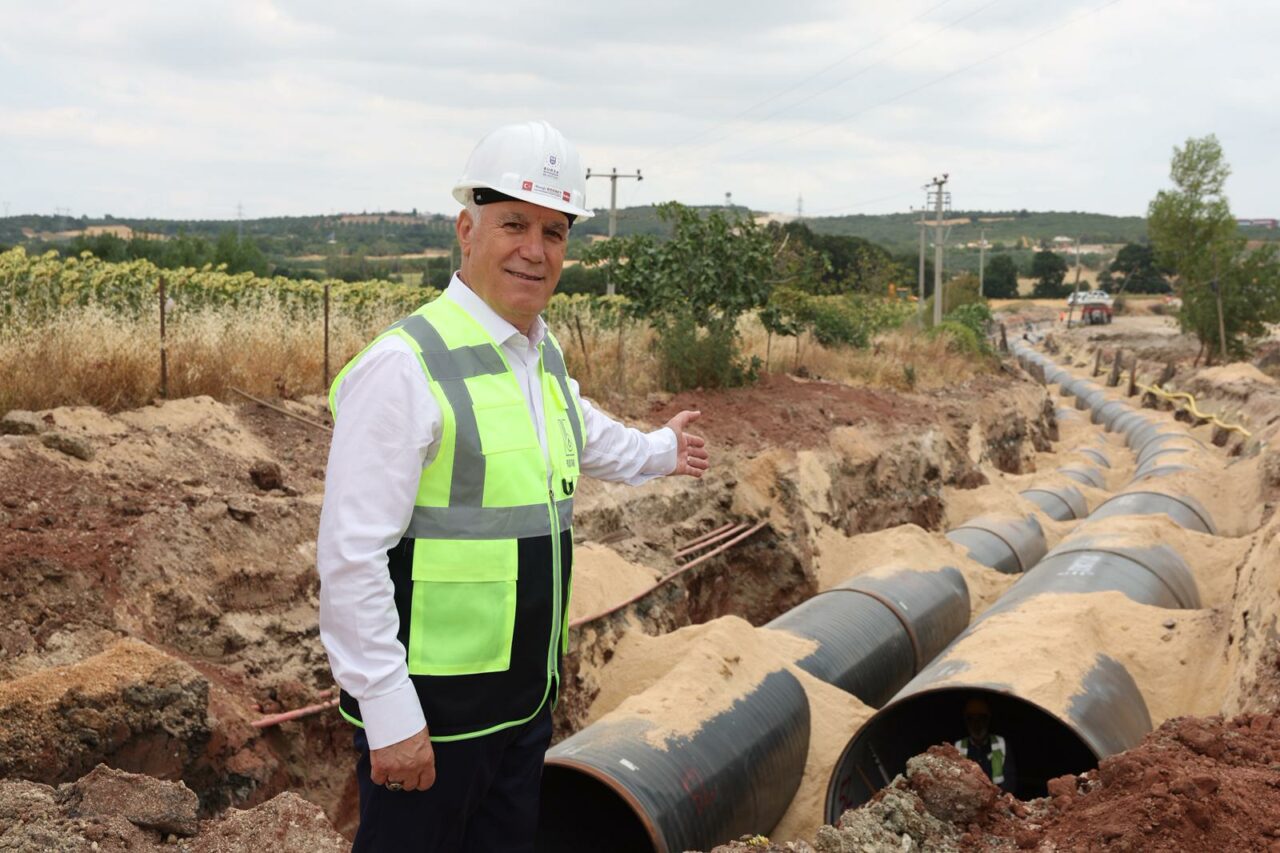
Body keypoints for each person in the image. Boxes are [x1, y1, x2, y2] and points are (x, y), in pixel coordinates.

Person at [315, 120, 710, 852]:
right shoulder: (404, 367)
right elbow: (350, 555)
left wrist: (661, 450)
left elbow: (580, 429)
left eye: (554, 231)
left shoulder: (537, 352)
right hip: (433, 719)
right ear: (467, 230)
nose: (535, 249)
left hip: (523, 704)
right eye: (514, 224)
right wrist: (389, 709)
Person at [954, 696, 1016, 793]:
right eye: (971, 719)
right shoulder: (958, 747)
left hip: (997, 798)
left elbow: (1010, 782)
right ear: (966, 721)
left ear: (988, 720)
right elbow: (954, 782)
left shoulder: (1001, 744)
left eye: (981, 718)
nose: (976, 724)